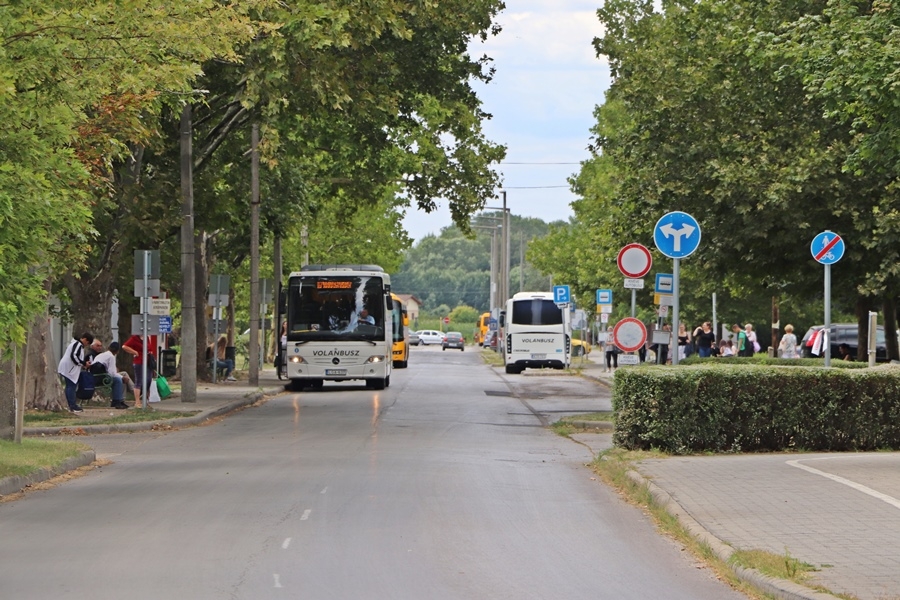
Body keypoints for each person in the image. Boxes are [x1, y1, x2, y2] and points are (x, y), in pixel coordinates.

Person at [57, 332, 93, 413]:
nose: (86, 345)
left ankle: (69, 403)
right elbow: (74, 355)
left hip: (69, 368)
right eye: (87, 343)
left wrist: (82, 364)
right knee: (71, 386)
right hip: (69, 368)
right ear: (85, 340)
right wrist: (83, 363)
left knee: (70, 386)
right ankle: (72, 405)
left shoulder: (75, 344)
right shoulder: (78, 345)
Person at [91, 341, 132, 409]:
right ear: (117, 351)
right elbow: (112, 373)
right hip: (102, 378)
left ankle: (121, 399)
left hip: (95, 376)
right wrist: (122, 377)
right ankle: (116, 401)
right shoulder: (111, 357)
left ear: (108, 348)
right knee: (118, 380)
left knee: (122, 377)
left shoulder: (101, 355)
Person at [122, 333, 157, 407]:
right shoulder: (134, 338)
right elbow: (124, 346)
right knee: (139, 381)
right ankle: (137, 401)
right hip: (139, 361)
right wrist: (135, 352)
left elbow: (150, 348)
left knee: (148, 380)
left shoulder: (147, 337)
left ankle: (146, 400)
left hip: (148, 362)